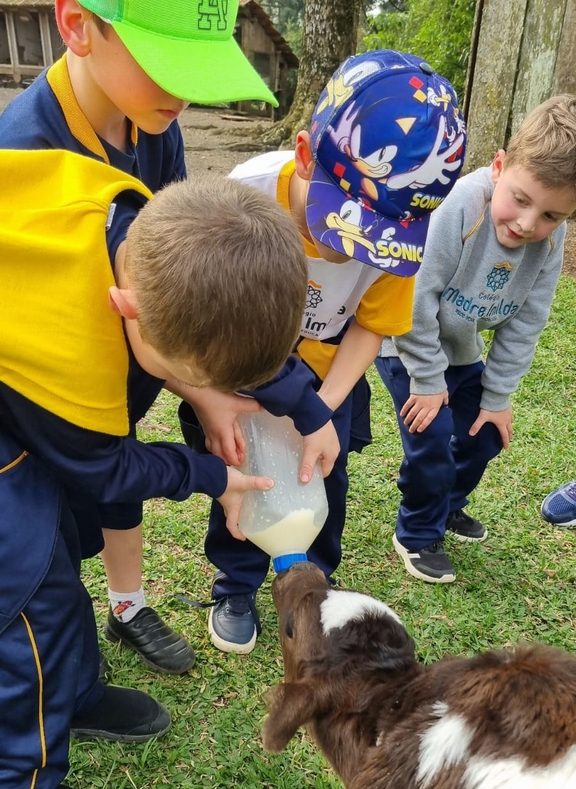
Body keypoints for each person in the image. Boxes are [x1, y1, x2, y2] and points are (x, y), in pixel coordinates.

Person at [0, 158, 308, 789]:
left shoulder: (136, 218)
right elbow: (108, 467)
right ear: (126, 310)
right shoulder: (74, 346)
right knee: (25, 599)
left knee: (56, 558)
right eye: (188, 381)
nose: (196, 393)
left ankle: (71, 696)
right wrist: (213, 475)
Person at [0, 0, 277, 675]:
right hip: (39, 393)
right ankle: (63, 651)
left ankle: (125, 608)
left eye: (199, 71)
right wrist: (206, 469)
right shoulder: (24, 154)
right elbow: (95, 456)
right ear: (77, 25)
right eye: (165, 66)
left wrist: (202, 392)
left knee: (112, 473)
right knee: (51, 534)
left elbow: (167, 265)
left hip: (124, 353)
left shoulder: (152, 121)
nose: (183, 95)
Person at [178, 50, 466, 652]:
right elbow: (203, 317)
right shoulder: (244, 195)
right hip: (241, 364)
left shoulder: (400, 237)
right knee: (245, 474)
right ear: (306, 155)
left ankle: (315, 589)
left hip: (328, 369)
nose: (350, 250)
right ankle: (235, 585)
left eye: (375, 237)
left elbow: (371, 325)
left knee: (324, 481)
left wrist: (324, 408)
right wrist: (217, 397)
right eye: (342, 222)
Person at [375, 94, 576, 583]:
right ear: (499, 166)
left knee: (484, 434)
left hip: (461, 349)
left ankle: (446, 505)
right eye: (521, 200)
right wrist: (428, 381)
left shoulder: (551, 238)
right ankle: (416, 533)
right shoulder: (462, 204)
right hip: (407, 343)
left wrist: (498, 396)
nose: (528, 224)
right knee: (433, 434)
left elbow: (526, 321)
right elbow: (414, 298)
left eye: (551, 216)